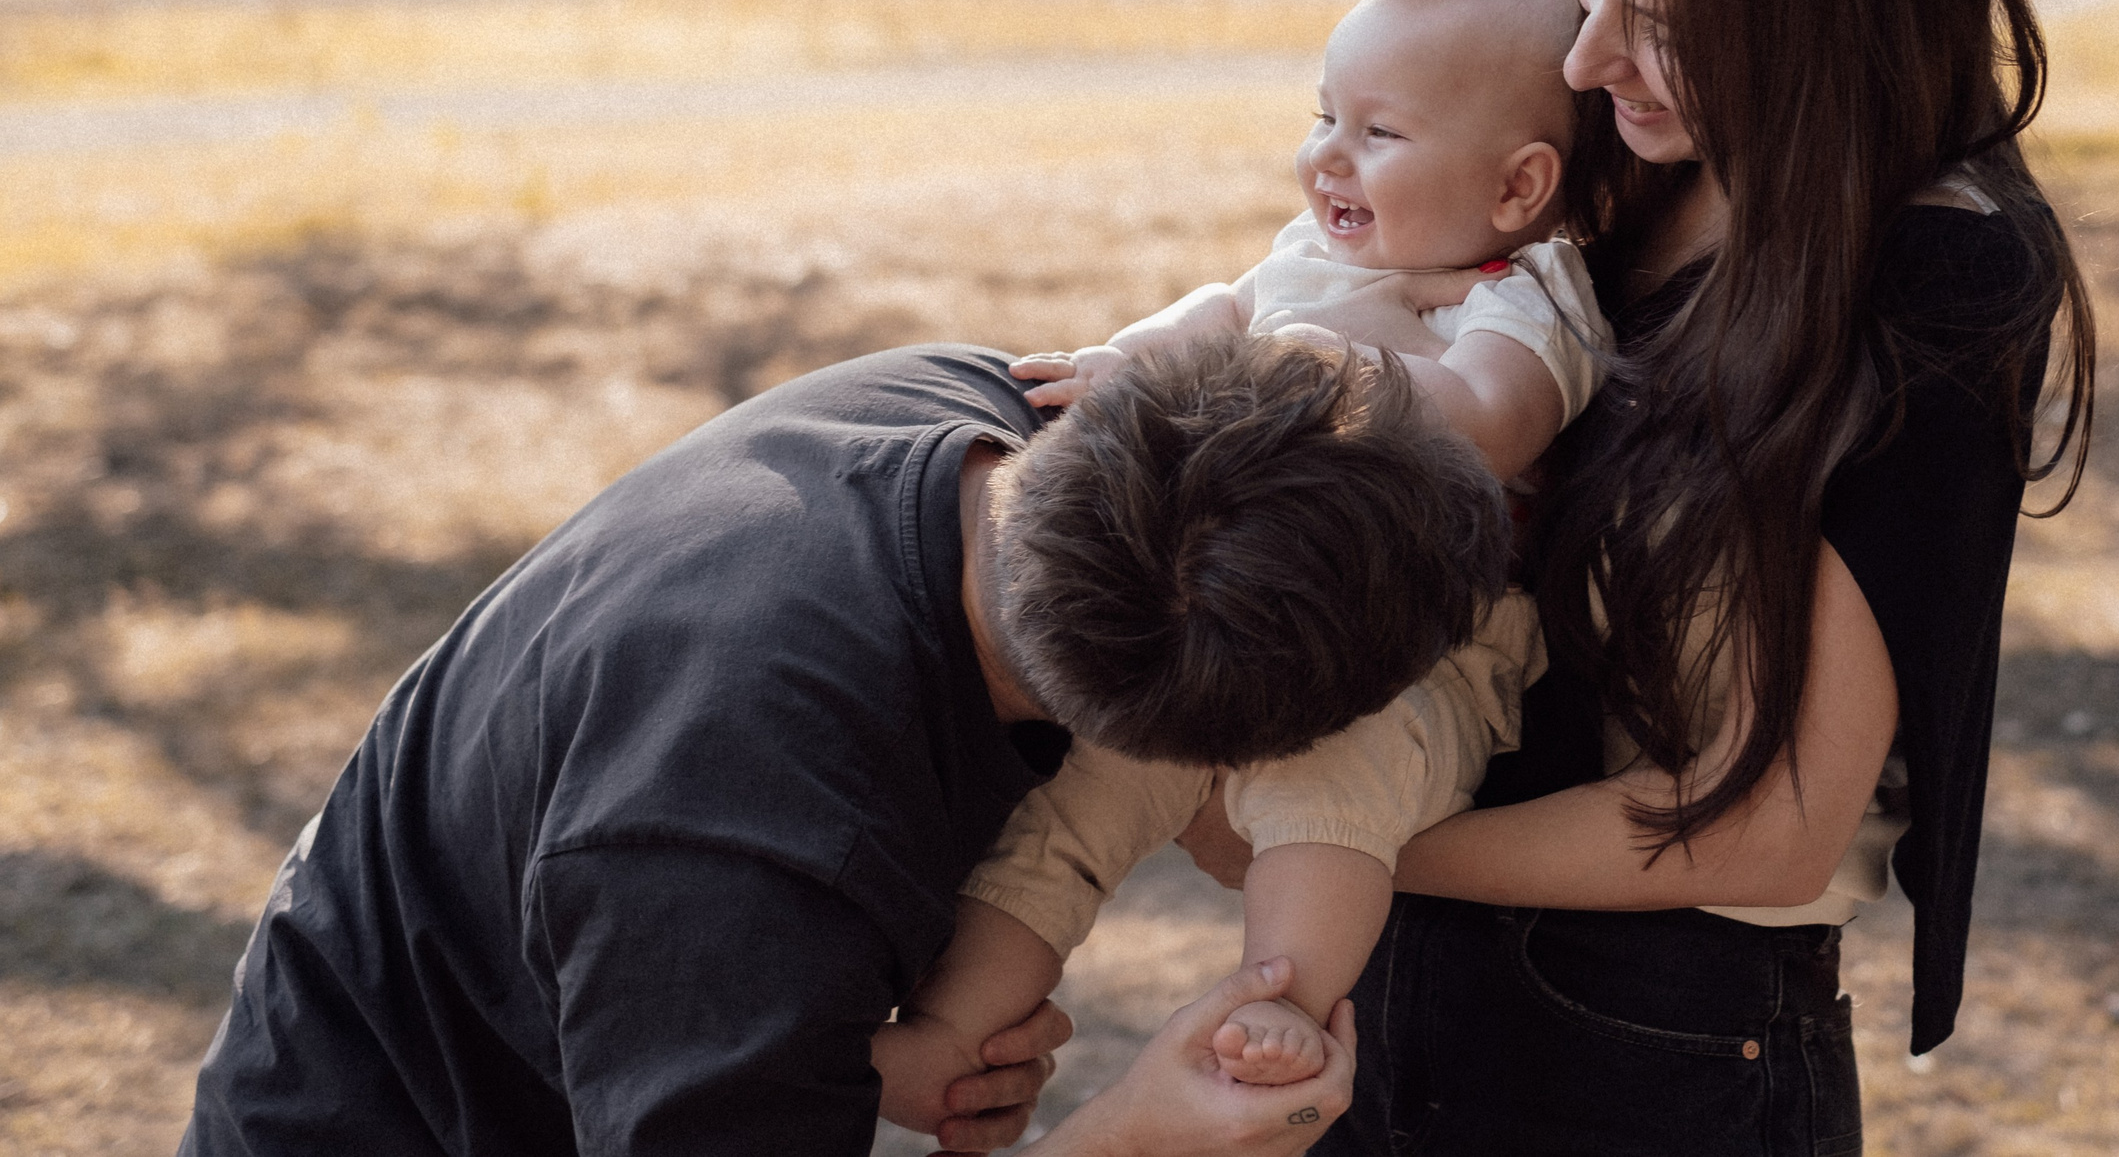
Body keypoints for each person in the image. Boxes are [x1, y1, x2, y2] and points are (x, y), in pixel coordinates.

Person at [1188, 0, 2092, 1157]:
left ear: (1826, 8)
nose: (1593, 54)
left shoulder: (1933, 276)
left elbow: (1771, 818)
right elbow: (1354, 289)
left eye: (1660, 20)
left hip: (1660, 1047)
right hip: (1409, 980)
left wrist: (1339, 838)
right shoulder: (1628, 164)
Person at [177, 334, 1512, 1157]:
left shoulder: (1003, 416)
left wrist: (835, 1057)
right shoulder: (740, 837)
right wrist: (1132, 1137)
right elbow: (713, 903)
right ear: (1187, 757)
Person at [884, 0, 1613, 1099]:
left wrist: (1287, 368)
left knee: (1333, 810)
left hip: (1421, 649)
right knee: (1082, 793)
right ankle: (957, 1030)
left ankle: (1282, 1002)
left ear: (1515, 188)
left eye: (1378, 133)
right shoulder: (1316, 259)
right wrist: (1138, 357)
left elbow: (1488, 421)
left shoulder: (1526, 295)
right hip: (1232, 617)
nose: (1326, 154)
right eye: (1325, 114)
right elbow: (1215, 311)